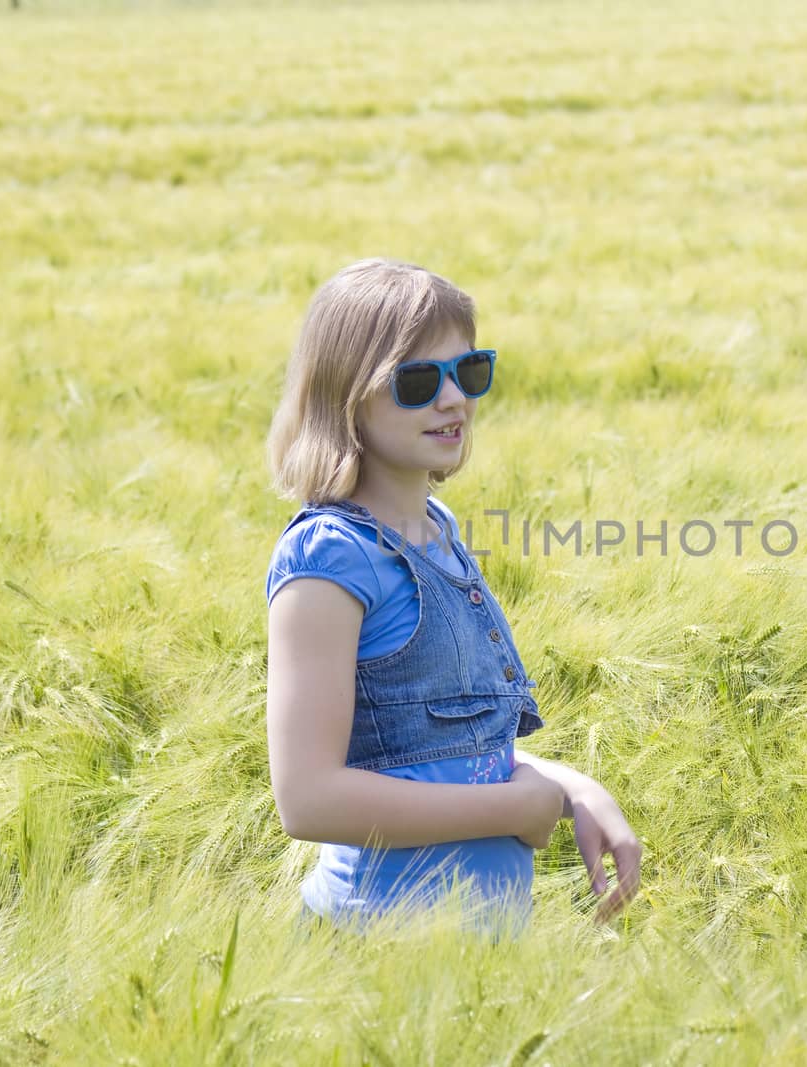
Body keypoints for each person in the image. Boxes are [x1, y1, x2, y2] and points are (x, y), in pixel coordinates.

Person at [263, 258, 641, 938]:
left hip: (477, 960)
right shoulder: (330, 557)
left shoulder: (440, 533)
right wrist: (511, 810)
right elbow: (307, 798)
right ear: (346, 396)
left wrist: (569, 787)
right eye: (416, 380)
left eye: (468, 372)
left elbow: (439, 749)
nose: (452, 399)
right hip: (374, 947)